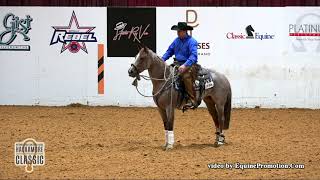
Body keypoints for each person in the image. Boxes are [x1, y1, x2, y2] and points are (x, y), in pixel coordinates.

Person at [162, 22, 199, 108]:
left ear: (185, 31)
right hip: (177, 64)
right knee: (167, 73)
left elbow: (193, 56)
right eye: (177, 31)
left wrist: (185, 65)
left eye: (179, 31)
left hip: (189, 64)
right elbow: (169, 51)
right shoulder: (176, 40)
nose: (178, 33)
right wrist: (162, 59)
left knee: (185, 76)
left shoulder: (192, 41)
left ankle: (192, 100)